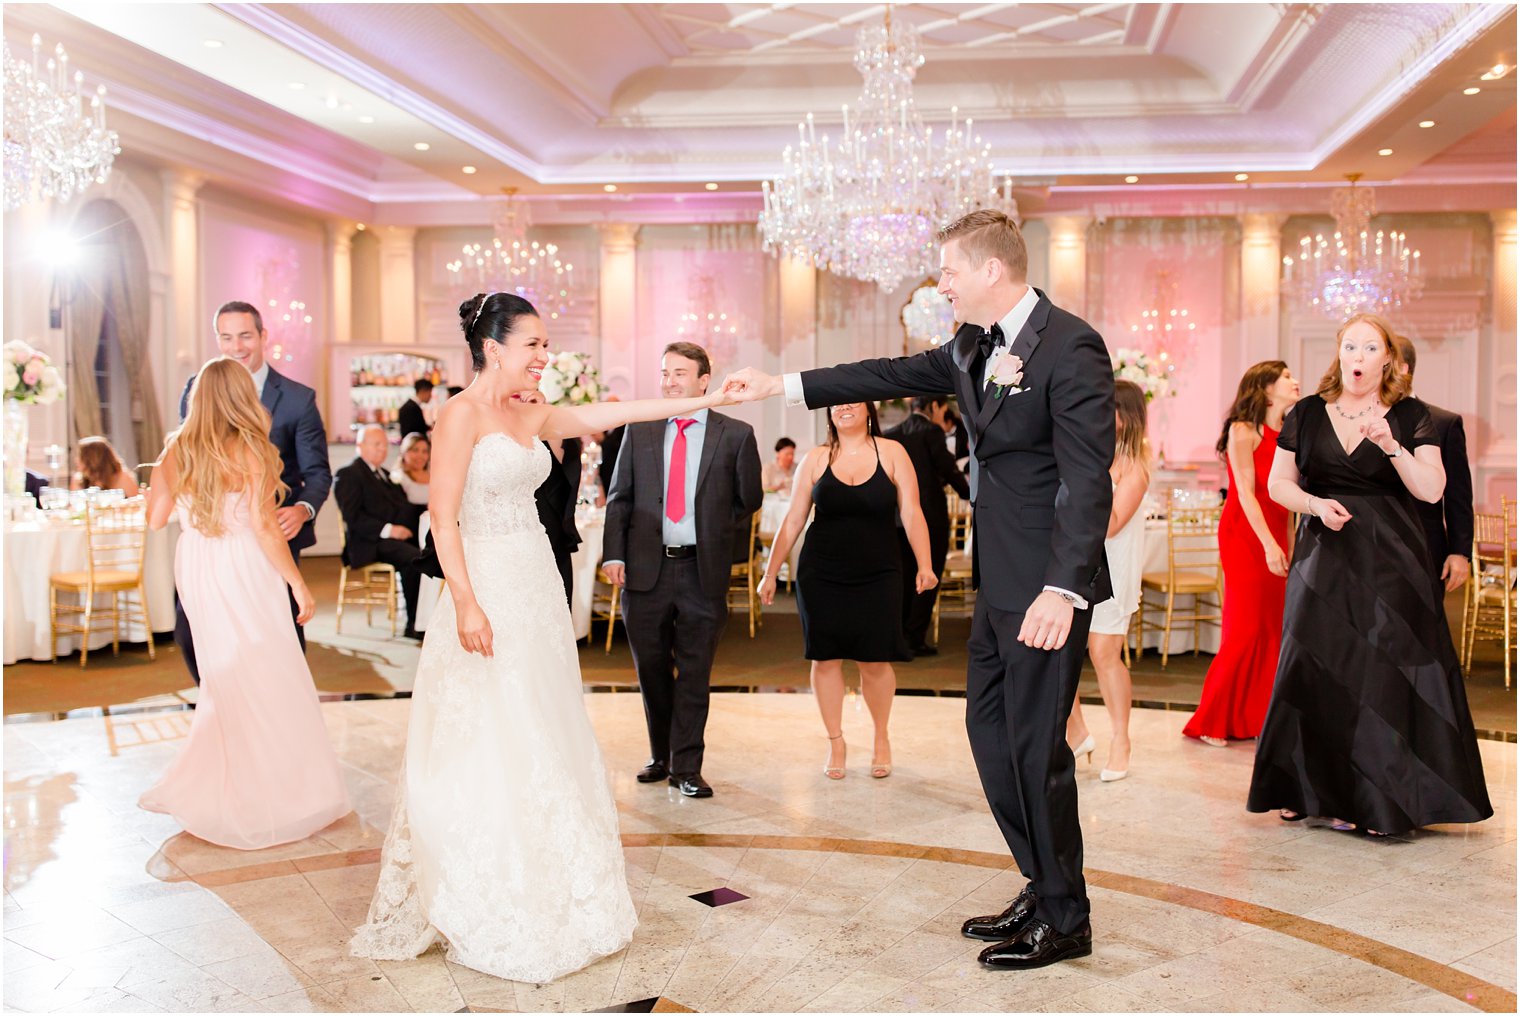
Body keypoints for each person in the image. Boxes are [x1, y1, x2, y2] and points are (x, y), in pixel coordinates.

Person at [727, 208, 1114, 970]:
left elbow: (1085, 480)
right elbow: (887, 374)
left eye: (949, 271)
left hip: (1044, 593)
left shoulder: (1071, 346)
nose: (941, 283)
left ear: (992, 271)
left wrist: (1062, 590)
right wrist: (783, 381)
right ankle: (1042, 882)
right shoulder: (971, 344)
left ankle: (1067, 918)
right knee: (991, 739)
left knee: (1038, 751)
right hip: (1000, 587)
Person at [350, 291, 738, 982]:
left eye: (544, 344)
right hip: (488, 589)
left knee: (544, 726)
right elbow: (442, 517)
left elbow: (606, 414)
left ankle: (552, 875)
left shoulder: (531, 409)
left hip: (534, 585)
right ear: (493, 346)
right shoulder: (459, 415)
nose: (543, 355)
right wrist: (466, 604)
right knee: (493, 732)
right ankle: (486, 884)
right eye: (533, 344)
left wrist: (699, 404)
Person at [1247, 313, 1491, 837]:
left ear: (1387, 359)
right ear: (1340, 354)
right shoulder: (1308, 412)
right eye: (1350, 346)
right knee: (1311, 666)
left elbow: (1430, 490)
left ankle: (1382, 800)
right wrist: (1314, 503)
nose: (1358, 356)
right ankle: (1301, 788)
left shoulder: (1410, 415)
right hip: (1323, 558)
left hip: (1390, 560)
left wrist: (1390, 445)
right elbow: (1277, 484)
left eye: (1369, 347)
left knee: (1380, 675)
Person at [139, 357, 349, 849]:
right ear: (239, 397)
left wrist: (157, 485)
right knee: (269, 668)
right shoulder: (251, 448)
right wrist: (297, 583)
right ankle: (276, 791)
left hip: (196, 564)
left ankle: (228, 781)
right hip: (244, 567)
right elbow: (262, 529)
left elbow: (155, 520)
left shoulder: (175, 449)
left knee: (223, 675)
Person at [602, 341, 763, 799]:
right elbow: (620, 497)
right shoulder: (643, 428)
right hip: (644, 572)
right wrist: (614, 554)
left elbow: (747, 499)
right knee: (651, 669)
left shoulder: (735, 434)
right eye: (664, 373)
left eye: (679, 373)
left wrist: (710, 529)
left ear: (703, 381)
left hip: (701, 571)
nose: (669, 382)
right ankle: (661, 755)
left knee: (694, 672)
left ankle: (687, 766)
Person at [758, 402, 935, 779]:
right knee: (825, 658)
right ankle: (836, 740)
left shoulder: (892, 453)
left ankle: (881, 736)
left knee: (875, 659)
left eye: (853, 401)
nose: (845, 408)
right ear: (829, 415)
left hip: (880, 571)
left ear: (869, 410)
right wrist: (770, 573)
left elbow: (912, 512)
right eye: (837, 404)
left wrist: (925, 564)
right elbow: (793, 520)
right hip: (822, 572)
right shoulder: (816, 458)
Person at [175, 301, 331, 683]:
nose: (236, 346)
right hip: (212, 537)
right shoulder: (196, 389)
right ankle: (220, 699)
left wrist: (303, 508)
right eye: (226, 338)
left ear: (263, 337)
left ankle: (283, 704)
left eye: (245, 335)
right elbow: (191, 457)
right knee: (192, 628)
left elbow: (317, 472)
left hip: (273, 530)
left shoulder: (297, 398)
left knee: (279, 629)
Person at [1182, 361, 1300, 746]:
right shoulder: (1243, 430)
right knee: (1246, 628)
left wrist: (1289, 548)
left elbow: (1287, 501)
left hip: (1277, 532)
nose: (1294, 381)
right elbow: (1245, 493)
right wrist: (1267, 544)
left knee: (1273, 627)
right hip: (1245, 534)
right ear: (1266, 389)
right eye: (1285, 377)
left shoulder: (1288, 434)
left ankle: (1257, 717)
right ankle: (1214, 719)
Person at [1064, 380, 1151, 782]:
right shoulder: (1090, 452)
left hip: (1113, 569)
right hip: (1076, 563)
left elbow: (1113, 524)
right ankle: (1076, 730)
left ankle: (1121, 739)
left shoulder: (1134, 465)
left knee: (1102, 653)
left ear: (1125, 415)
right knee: (1059, 652)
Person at [884, 395, 970, 655]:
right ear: (934, 406)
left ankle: (898, 635)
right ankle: (915, 637)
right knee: (927, 574)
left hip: (896, 517)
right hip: (929, 517)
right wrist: (967, 492)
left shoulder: (891, 433)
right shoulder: (931, 430)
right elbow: (947, 467)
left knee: (904, 576)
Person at [1392, 334, 1473, 603]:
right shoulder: (1359, 419)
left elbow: (1458, 494)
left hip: (1425, 546)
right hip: (1371, 546)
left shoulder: (1443, 423)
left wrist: (1460, 552)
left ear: (1402, 368)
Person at [335, 425, 426, 640]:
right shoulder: (349, 473)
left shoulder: (384, 474)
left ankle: (424, 617)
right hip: (368, 542)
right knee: (414, 559)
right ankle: (414, 624)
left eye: (384, 445)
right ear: (360, 445)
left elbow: (403, 506)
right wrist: (390, 530)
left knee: (427, 554)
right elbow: (353, 517)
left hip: (390, 540)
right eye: (376, 444)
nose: (382, 450)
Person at [515, 388, 583, 605]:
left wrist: (545, 416)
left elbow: (565, 473)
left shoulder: (554, 431)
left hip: (550, 541)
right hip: (506, 548)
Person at [70, 436, 140, 495]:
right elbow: (74, 508)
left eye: (80, 456)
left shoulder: (122, 477)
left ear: (92, 459)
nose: (76, 460)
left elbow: (137, 504)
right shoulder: (78, 480)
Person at [391, 432, 431, 507]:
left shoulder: (434, 475)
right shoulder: (398, 477)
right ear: (404, 452)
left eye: (424, 451)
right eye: (415, 450)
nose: (420, 456)